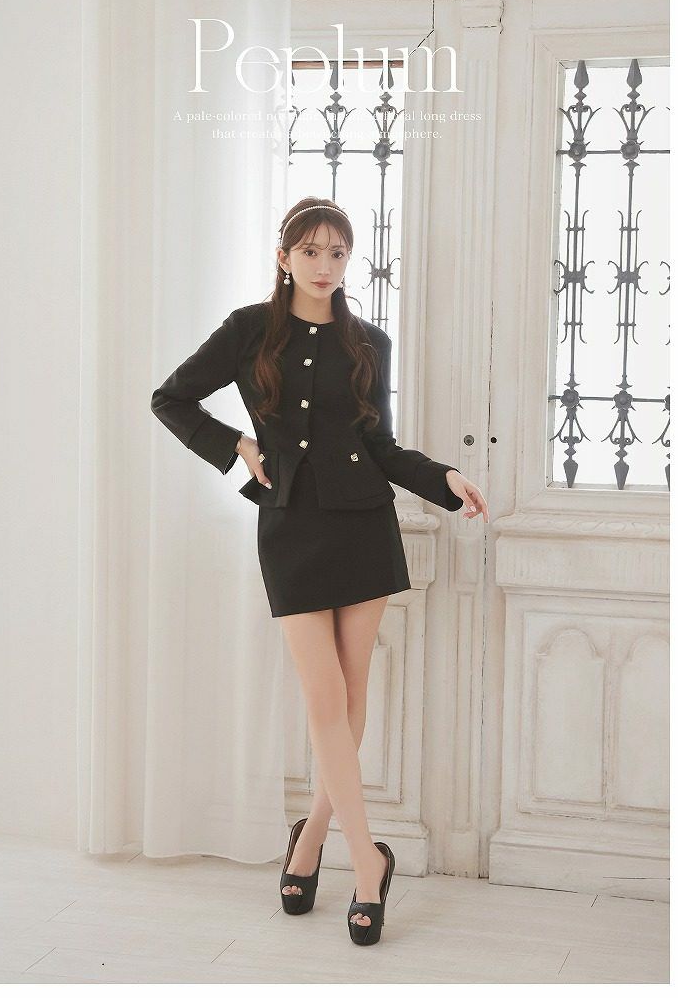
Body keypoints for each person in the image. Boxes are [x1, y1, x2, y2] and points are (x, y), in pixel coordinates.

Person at [151, 196, 489, 945]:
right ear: (284, 257)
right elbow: (169, 398)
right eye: (310, 251)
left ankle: (309, 841)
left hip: (365, 526)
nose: (325, 265)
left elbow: (382, 447)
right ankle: (368, 861)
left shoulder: (369, 342)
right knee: (324, 694)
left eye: (338, 252)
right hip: (291, 528)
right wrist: (236, 445)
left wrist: (446, 478)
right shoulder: (248, 330)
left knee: (350, 696)